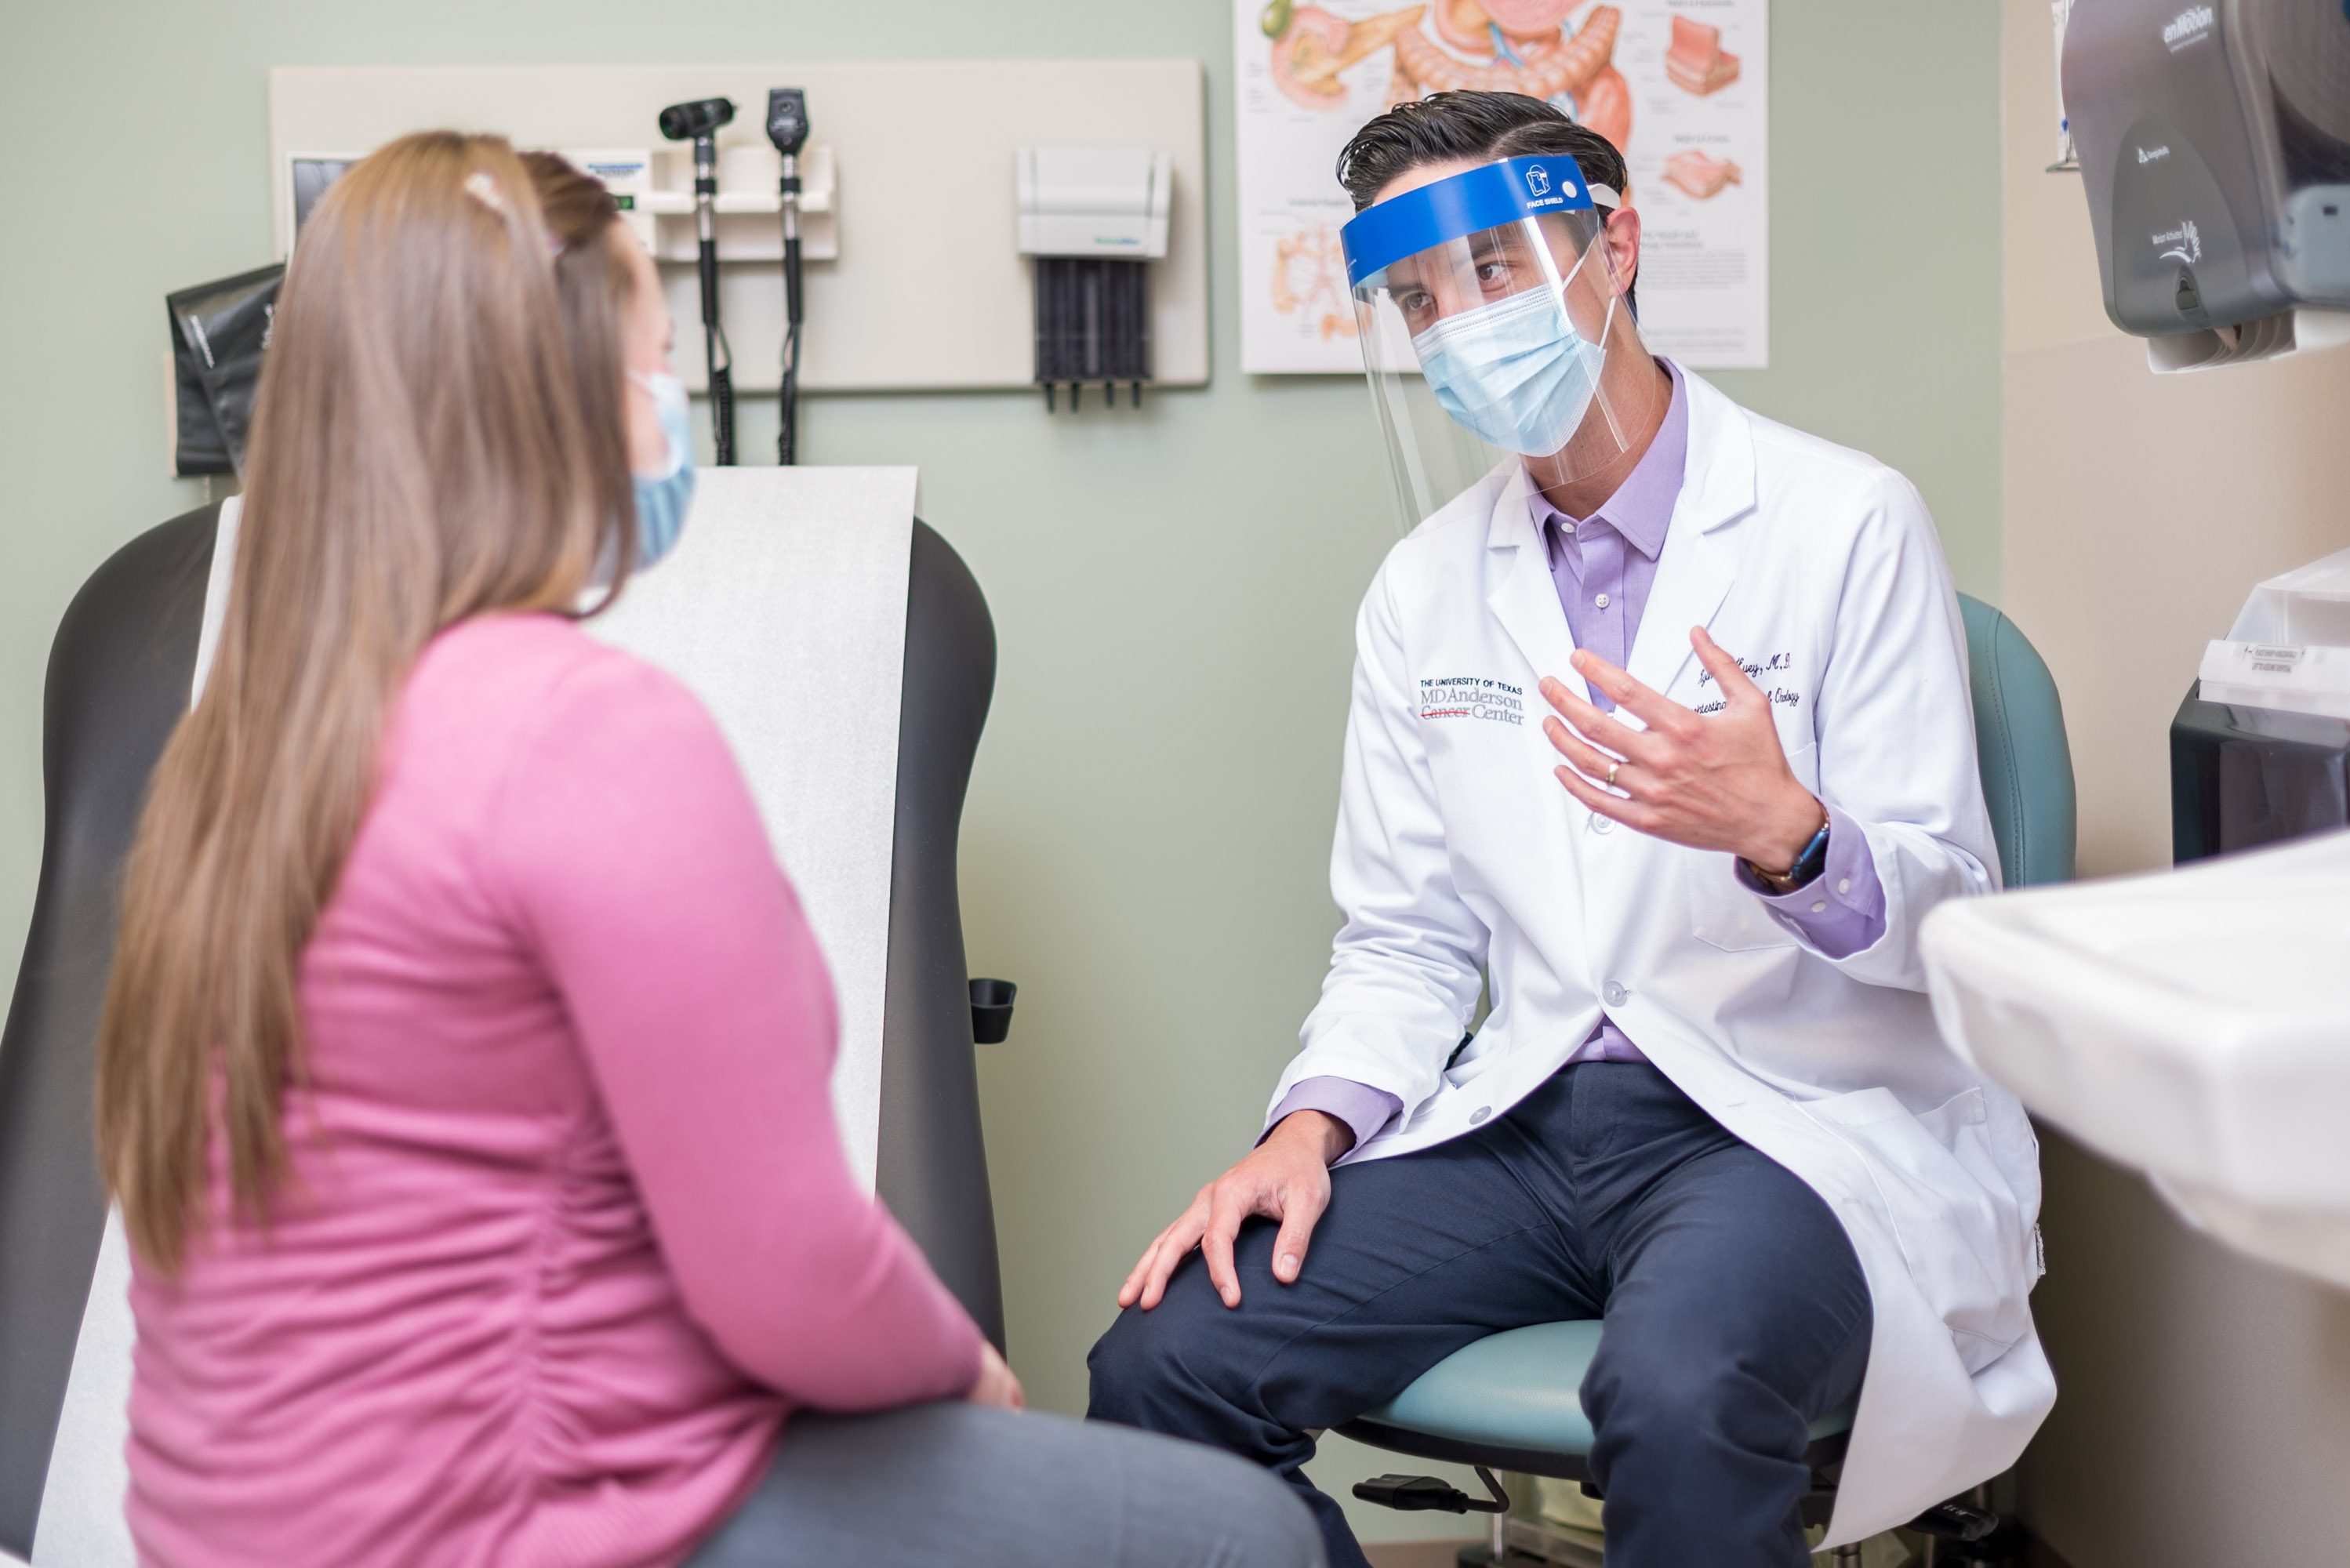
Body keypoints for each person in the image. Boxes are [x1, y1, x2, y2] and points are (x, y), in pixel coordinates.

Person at [96, 134, 1321, 1568]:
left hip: (222, 1526)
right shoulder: (581, 732)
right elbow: (785, 1269)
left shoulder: (241, 746)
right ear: (545, 405)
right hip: (497, 1527)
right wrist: (963, 1372)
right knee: (1237, 1536)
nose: (667, 411)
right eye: (650, 362)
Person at [1088, 92, 2053, 1568]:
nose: (1459, 324)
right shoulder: (1424, 587)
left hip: (1783, 1119)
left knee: (1674, 1389)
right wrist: (1306, 1130)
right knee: (1162, 1362)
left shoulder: (1845, 522)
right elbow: (1406, 939)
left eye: (1493, 270)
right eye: (1420, 298)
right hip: (1534, 1122)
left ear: (1615, 246)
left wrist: (1793, 837)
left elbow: (1962, 927)